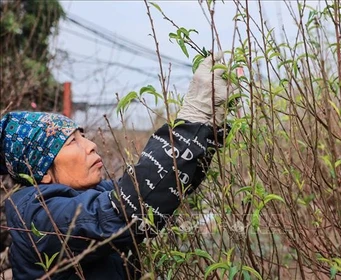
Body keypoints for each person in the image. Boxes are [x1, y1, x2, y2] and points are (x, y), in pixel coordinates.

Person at [1, 53, 233, 279]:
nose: (90, 145)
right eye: (72, 142)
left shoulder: (89, 194)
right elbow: (128, 206)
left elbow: (158, 189)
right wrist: (193, 118)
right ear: (41, 173)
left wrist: (207, 130)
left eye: (83, 136)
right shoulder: (38, 218)